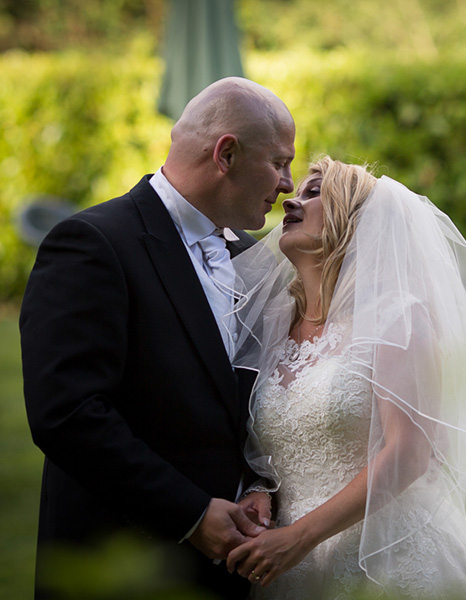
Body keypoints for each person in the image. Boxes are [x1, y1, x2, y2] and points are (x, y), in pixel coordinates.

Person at [20, 77, 295, 599]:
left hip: (233, 574)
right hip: (121, 564)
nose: (286, 183)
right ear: (227, 154)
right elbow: (67, 414)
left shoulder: (251, 256)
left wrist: (259, 484)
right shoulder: (94, 244)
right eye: (279, 162)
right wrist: (189, 513)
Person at [226, 156, 466, 599]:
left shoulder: (396, 317)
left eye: (314, 193)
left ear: (354, 222)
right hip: (285, 560)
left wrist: (301, 538)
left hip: (383, 555)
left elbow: (409, 452)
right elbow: (275, 439)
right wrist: (260, 489)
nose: (291, 202)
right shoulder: (275, 322)